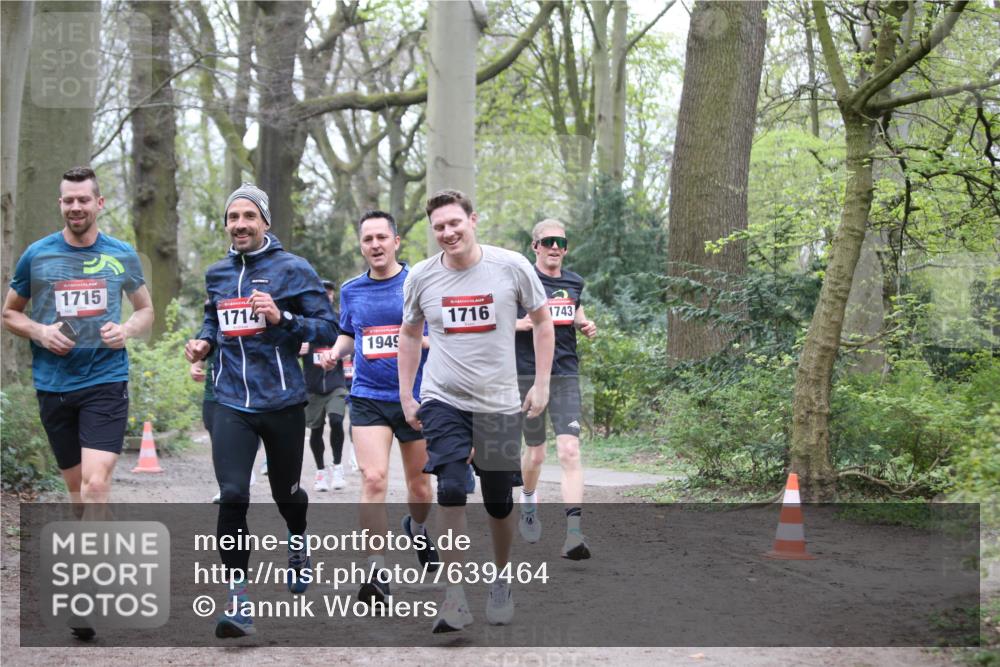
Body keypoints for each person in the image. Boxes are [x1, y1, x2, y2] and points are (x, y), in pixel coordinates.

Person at [2, 166, 153, 640]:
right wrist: (41, 331)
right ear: (60, 204)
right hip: (53, 386)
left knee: (93, 487)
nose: (75, 208)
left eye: (84, 200)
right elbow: (9, 312)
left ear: (100, 203)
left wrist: (125, 329)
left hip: (106, 381)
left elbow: (146, 310)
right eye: (68, 200)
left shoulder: (121, 255)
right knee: (78, 499)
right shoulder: (38, 255)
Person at [183, 183, 337, 639]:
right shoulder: (216, 273)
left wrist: (282, 319)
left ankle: (297, 540)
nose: (240, 225)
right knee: (233, 494)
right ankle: (238, 599)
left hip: (283, 401)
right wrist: (203, 342)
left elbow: (327, 329)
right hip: (229, 400)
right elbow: (213, 319)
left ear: (265, 222)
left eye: (249, 216)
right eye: (233, 217)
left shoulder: (294, 269)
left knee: (287, 493)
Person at [398, 190, 554, 633]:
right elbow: (409, 335)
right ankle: (455, 596)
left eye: (454, 223)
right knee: (449, 487)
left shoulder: (511, 267)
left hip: (499, 401)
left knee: (499, 500)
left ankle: (501, 579)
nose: (448, 233)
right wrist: (408, 394)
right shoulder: (423, 278)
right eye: (439, 228)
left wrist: (541, 384)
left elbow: (543, 323)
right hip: (443, 397)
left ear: (473, 220)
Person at [320, 210, 437, 608]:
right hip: (368, 397)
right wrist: (335, 354)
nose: (375, 245)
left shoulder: (417, 281)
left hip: (416, 397)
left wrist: (418, 342)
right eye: (367, 239)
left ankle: (417, 528)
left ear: (396, 241)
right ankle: (376, 571)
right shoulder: (352, 289)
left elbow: (438, 334)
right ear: (362, 245)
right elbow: (349, 333)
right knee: (373, 479)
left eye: (381, 238)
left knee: (420, 487)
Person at [514, 219, 598, 559]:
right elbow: (501, 321)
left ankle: (574, 534)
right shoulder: (521, 280)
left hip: (565, 375)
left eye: (561, 243)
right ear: (535, 246)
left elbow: (575, 314)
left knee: (569, 451)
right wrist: (527, 322)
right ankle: (529, 501)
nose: (555, 248)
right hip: (528, 377)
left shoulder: (574, 282)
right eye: (547, 242)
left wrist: (586, 324)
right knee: (536, 453)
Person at [301, 280, 348, 492]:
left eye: (329, 292)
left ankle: (338, 467)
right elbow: (287, 346)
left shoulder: (340, 320)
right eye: (323, 292)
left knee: (337, 420)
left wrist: (341, 352)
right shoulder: (305, 322)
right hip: (312, 386)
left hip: (336, 382)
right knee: (316, 430)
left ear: (333, 296)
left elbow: (352, 344)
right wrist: (297, 347)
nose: (327, 296)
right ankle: (321, 471)